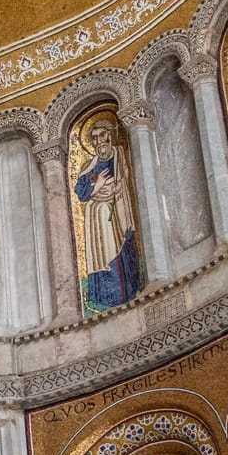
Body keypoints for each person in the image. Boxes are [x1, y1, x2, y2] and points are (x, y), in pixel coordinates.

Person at [73, 116, 143, 312]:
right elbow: (81, 191)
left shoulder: (120, 154)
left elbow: (126, 176)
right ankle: (104, 297)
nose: (98, 141)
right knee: (103, 250)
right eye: (94, 138)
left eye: (102, 135)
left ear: (110, 136)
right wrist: (98, 186)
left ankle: (131, 289)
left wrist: (118, 187)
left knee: (125, 245)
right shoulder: (89, 165)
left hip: (119, 209)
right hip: (98, 217)